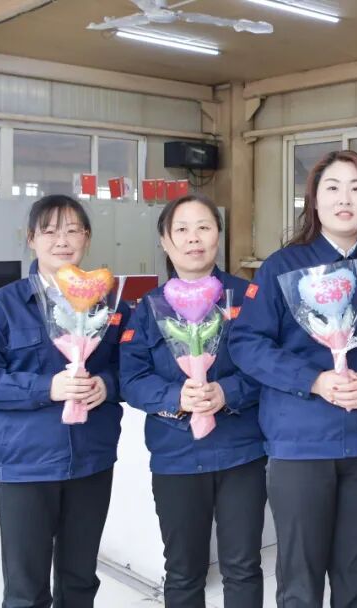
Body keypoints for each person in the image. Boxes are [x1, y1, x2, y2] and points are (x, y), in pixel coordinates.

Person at [230, 150, 357, 608]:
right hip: (301, 443)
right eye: (333, 188)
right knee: (300, 580)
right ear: (314, 200)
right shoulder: (282, 267)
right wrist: (314, 380)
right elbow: (246, 343)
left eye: (356, 188)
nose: (345, 199)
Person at [0, 194, 129, 608]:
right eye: (49, 231)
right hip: (26, 466)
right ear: (31, 239)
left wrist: (107, 384)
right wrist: (46, 388)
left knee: (80, 581)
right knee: (26, 590)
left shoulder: (109, 305)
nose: (62, 240)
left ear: (87, 238)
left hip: (91, 460)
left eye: (72, 230)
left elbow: (133, 368)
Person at [120, 194, 265, 607]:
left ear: (219, 235)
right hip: (176, 456)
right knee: (183, 570)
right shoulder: (148, 308)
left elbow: (270, 367)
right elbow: (131, 379)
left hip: (241, 452)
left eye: (204, 227)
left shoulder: (248, 298)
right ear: (165, 242)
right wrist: (175, 396)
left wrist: (227, 392)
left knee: (243, 566)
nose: (193, 238)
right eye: (181, 230)